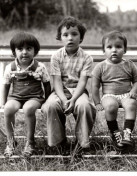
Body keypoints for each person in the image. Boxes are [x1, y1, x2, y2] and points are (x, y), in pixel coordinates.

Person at [41, 16, 96, 153]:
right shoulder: (56, 56)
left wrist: (73, 99)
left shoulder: (87, 57)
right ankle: (58, 143)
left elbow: (83, 82)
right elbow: (57, 81)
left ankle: (82, 143)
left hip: (79, 91)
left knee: (84, 105)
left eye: (74, 34)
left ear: (81, 38)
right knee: (51, 105)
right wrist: (65, 99)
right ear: (60, 38)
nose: (70, 38)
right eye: (65, 35)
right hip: (60, 91)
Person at [1, 32, 51, 157]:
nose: (24, 52)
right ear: (14, 52)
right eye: (20, 49)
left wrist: (47, 100)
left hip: (34, 97)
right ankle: (11, 141)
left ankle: (30, 141)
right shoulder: (10, 67)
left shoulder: (40, 67)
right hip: (16, 97)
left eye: (29, 48)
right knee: (8, 108)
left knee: (28, 108)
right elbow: (6, 84)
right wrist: (2, 102)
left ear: (35, 51)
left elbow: (47, 84)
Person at [92, 31, 137, 150]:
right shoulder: (100, 67)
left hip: (126, 94)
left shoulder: (129, 64)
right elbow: (95, 87)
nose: (114, 50)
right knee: (110, 106)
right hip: (109, 95)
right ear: (103, 50)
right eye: (109, 47)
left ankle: (127, 134)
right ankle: (115, 134)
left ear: (125, 50)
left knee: (131, 104)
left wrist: (134, 91)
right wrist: (97, 102)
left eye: (118, 47)